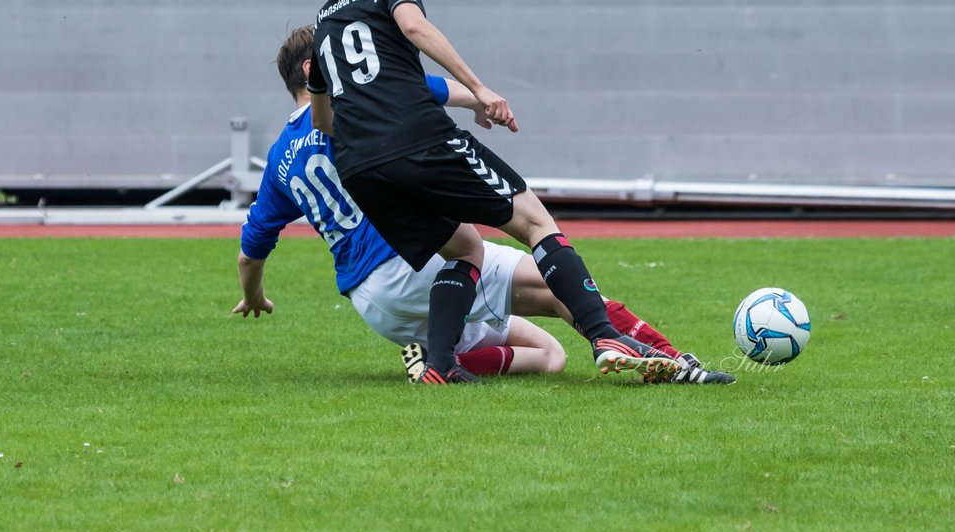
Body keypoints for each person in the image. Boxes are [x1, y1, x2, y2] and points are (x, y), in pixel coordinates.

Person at [235, 26, 734, 385]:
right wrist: (475, 99)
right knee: (562, 285)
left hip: (374, 304)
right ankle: (671, 361)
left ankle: (435, 355)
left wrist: (254, 296)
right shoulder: (351, 105)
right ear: (312, 69)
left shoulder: (280, 156)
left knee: (549, 354)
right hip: (411, 259)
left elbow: (251, 250)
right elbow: (418, 90)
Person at [308, 0, 682, 384]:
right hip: (420, 139)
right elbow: (416, 29)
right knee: (535, 222)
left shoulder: (324, 21)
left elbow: (323, 118)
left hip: (360, 167)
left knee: (465, 248)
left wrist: (373, 137)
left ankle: (440, 365)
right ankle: (604, 335)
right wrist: (480, 89)